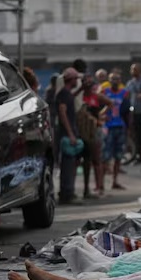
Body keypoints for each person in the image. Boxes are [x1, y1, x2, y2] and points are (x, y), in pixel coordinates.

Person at [79, 76, 112, 196]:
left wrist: (100, 117)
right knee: (85, 161)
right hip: (82, 131)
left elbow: (110, 103)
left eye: (89, 85)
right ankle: (86, 188)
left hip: (95, 131)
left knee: (97, 159)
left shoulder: (96, 96)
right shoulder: (80, 96)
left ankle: (100, 186)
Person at [56, 67, 82, 204]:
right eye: (76, 79)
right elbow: (63, 113)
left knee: (71, 164)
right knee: (67, 165)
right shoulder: (64, 95)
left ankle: (67, 192)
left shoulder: (67, 94)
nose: (77, 81)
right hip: (67, 135)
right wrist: (71, 134)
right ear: (71, 80)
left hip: (69, 133)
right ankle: (67, 193)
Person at [102, 71, 130, 189]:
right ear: (109, 81)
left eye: (117, 79)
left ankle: (115, 181)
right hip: (107, 126)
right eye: (113, 79)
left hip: (120, 126)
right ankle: (101, 183)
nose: (115, 81)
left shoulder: (124, 93)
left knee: (118, 156)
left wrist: (129, 126)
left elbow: (128, 111)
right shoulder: (104, 92)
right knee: (105, 155)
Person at [125, 63, 141, 164]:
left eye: (135, 69)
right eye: (132, 69)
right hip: (135, 112)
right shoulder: (130, 83)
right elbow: (127, 97)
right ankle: (139, 156)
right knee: (137, 135)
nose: (133, 71)